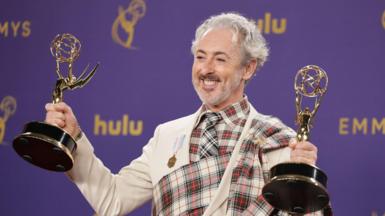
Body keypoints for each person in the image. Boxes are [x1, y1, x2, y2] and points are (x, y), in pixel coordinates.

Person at [45, 12, 322, 215]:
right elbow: (113, 200)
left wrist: (302, 181)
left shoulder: (279, 141)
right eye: (200, 56)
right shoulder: (166, 136)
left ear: (247, 69)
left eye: (220, 59)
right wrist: (73, 139)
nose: (206, 68)